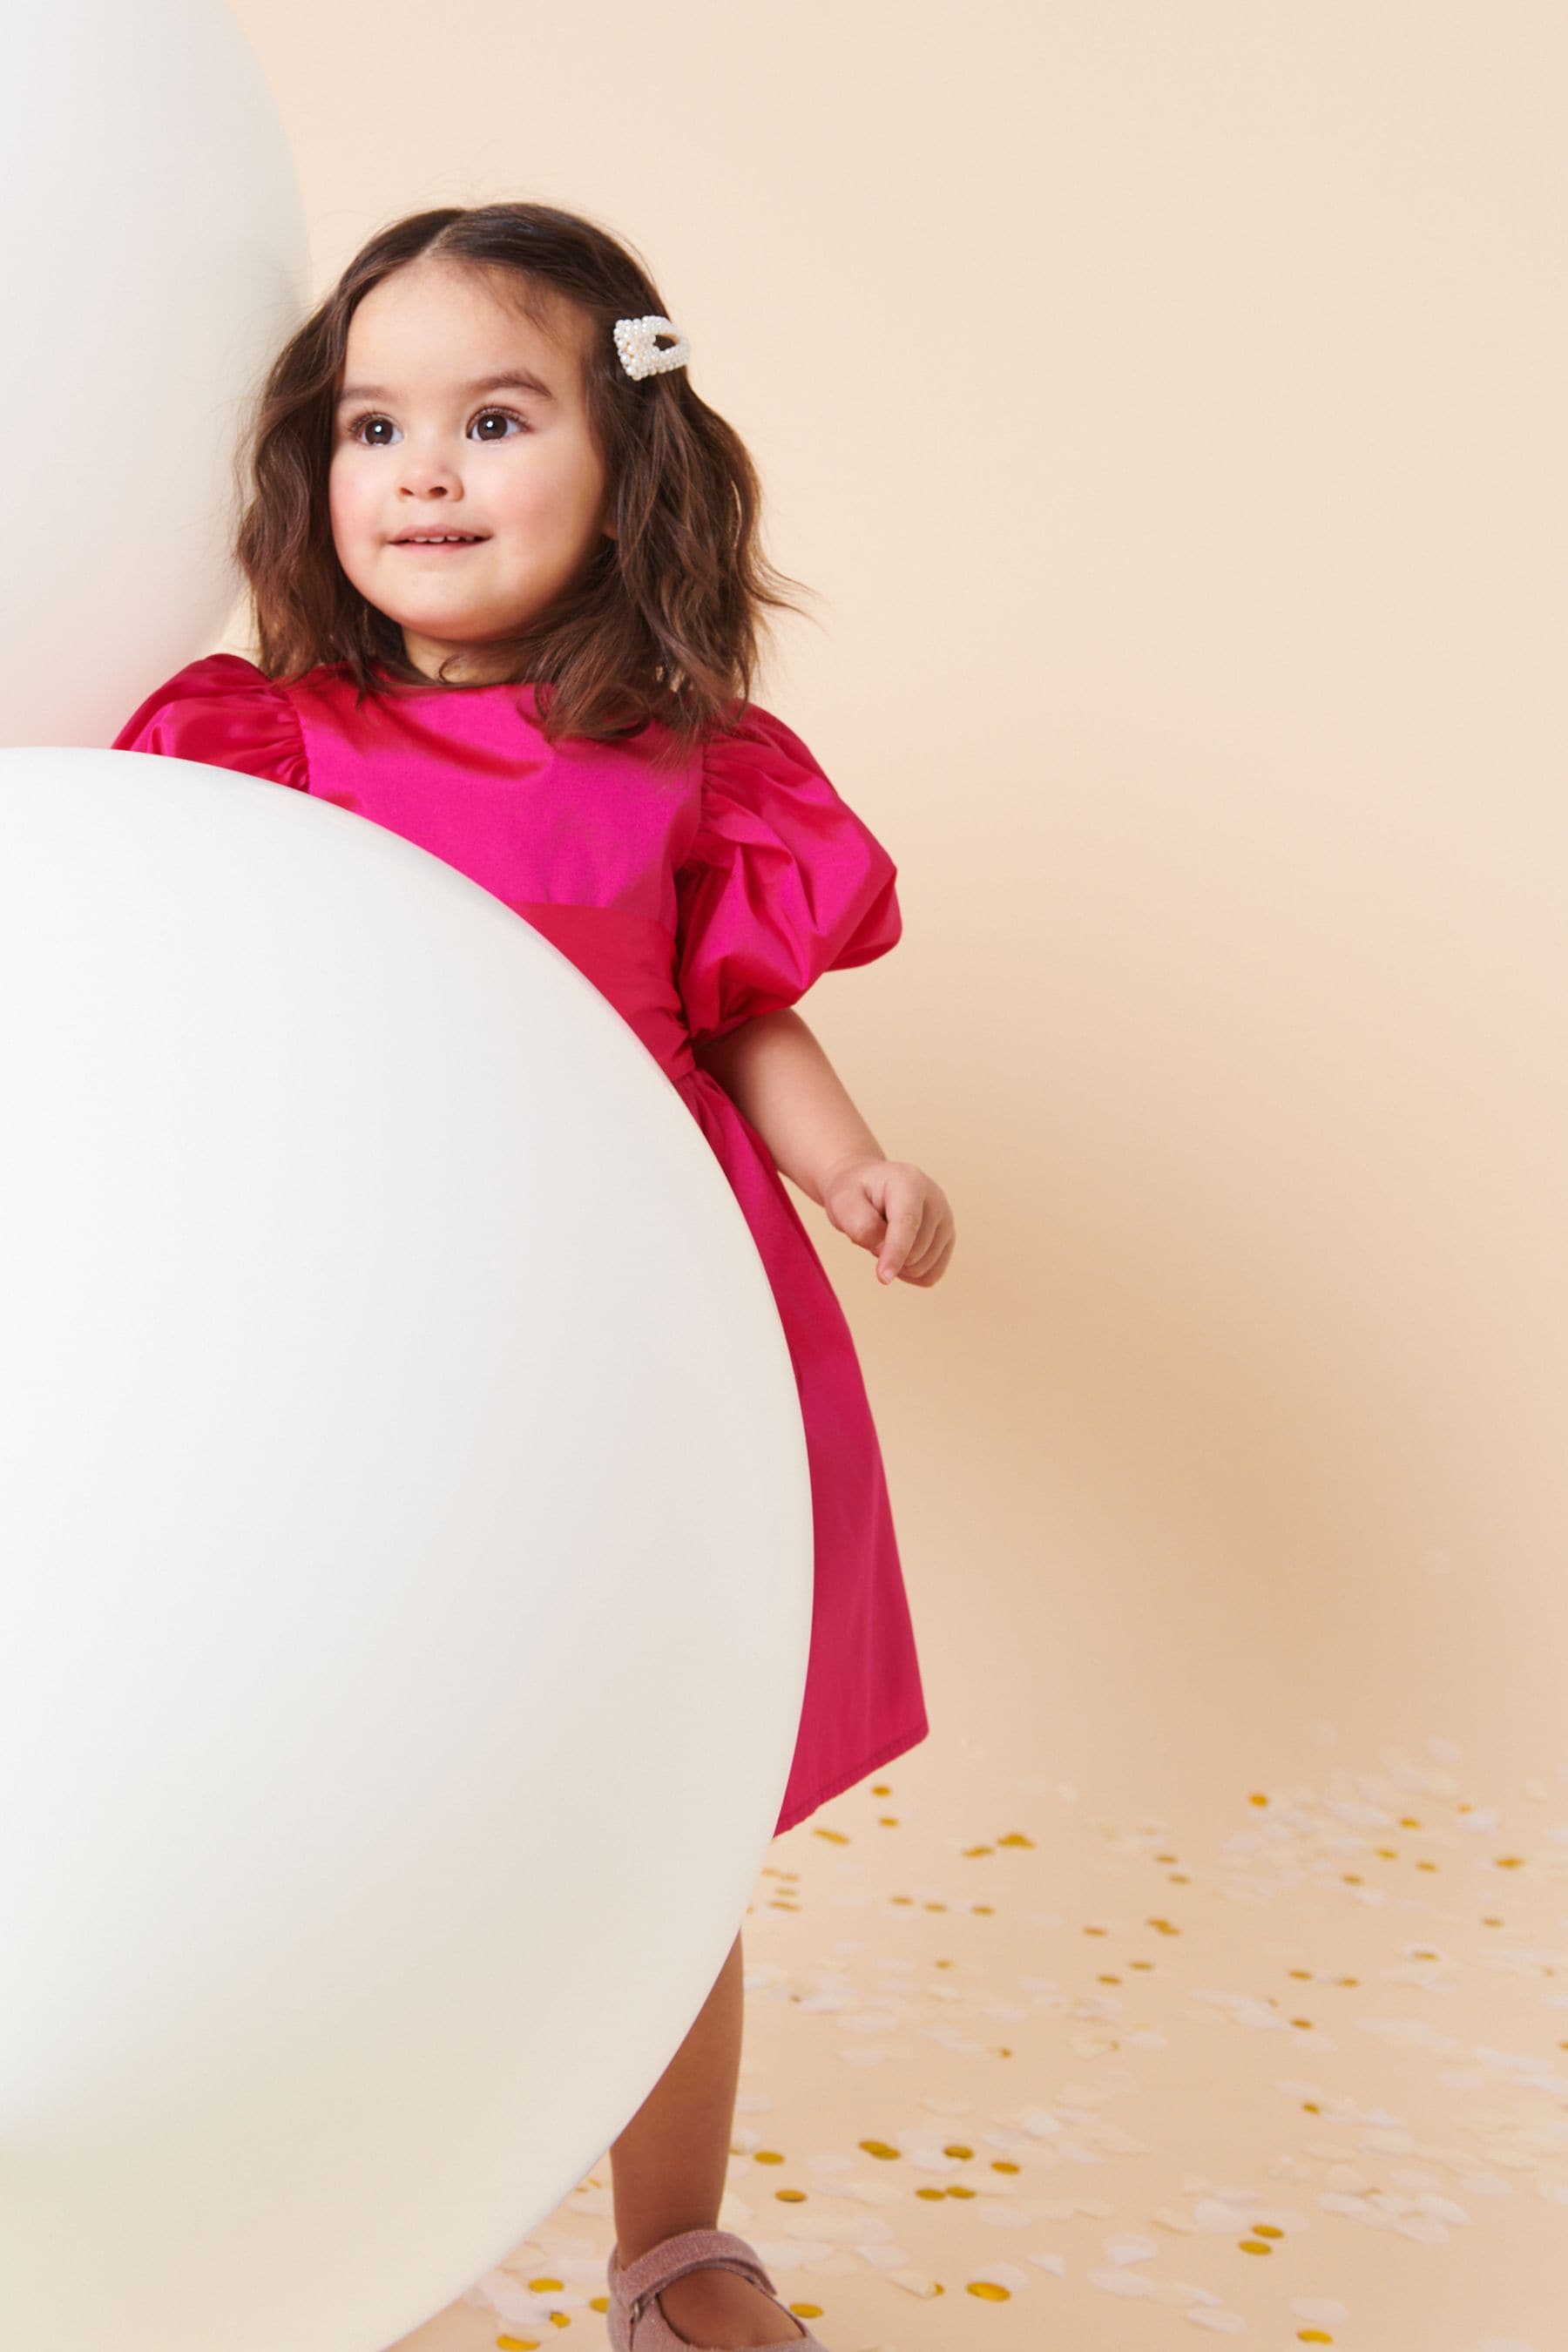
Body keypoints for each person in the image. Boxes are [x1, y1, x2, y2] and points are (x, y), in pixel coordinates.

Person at [112, 199, 956, 2352]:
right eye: (373, 424)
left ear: (628, 461)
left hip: (641, 1341)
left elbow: (741, 1003)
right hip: (369, 1333)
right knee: (343, 1779)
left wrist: (848, 1163)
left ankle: (674, 2241)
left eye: (493, 418)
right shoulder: (266, 747)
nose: (421, 472)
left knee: (647, 1814)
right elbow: (189, 998)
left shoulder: (686, 764)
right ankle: (308, 2203)